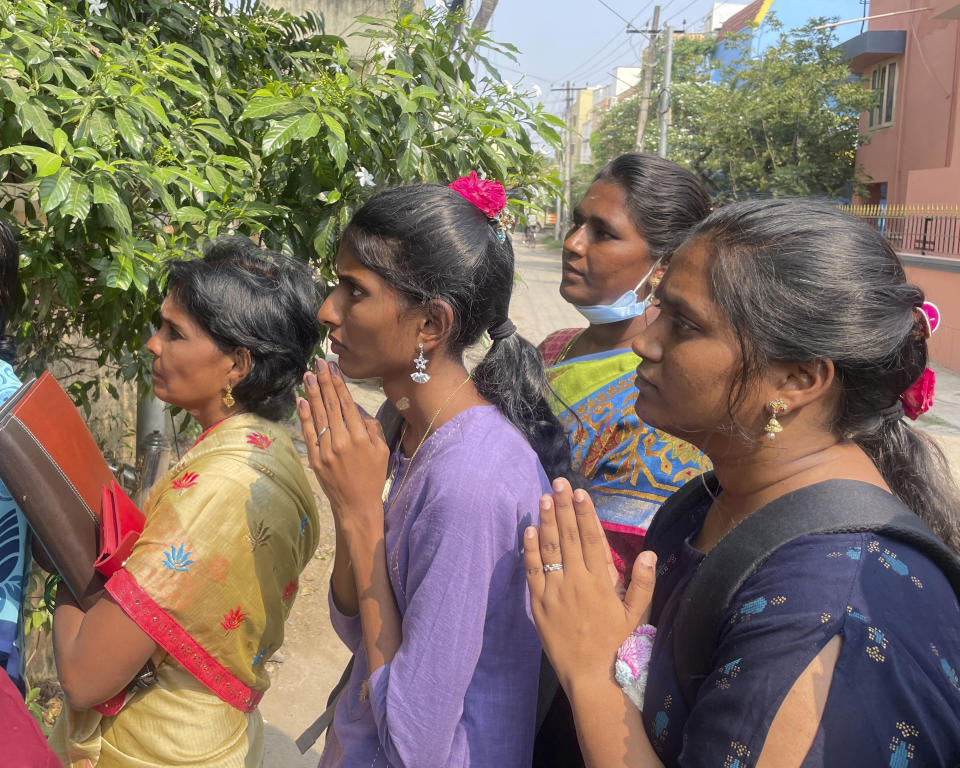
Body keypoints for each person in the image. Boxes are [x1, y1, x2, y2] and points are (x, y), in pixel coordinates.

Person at [524, 200, 960, 767]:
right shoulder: (705, 500)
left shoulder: (828, 614)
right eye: (659, 310)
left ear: (798, 378)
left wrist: (589, 672)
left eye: (684, 324)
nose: (646, 342)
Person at [296, 174, 573, 767]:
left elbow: (415, 742)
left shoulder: (469, 481)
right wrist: (353, 506)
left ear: (431, 324)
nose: (327, 311)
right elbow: (359, 628)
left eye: (354, 291)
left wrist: (360, 513)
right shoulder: (403, 425)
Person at [50, 237, 321, 767]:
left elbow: (83, 677)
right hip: (210, 735)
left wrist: (63, 550)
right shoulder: (272, 451)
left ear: (237, 365)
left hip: (153, 749)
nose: (153, 344)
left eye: (175, 333)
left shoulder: (220, 487)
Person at [539, 154, 711, 579]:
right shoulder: (554, 346)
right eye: (577, 223)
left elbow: (611, 572)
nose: (574, 243)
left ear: (663, 266)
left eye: (604, 234)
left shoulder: (663, 399)